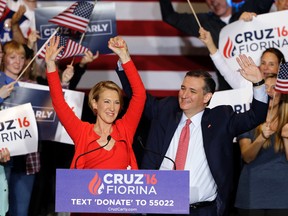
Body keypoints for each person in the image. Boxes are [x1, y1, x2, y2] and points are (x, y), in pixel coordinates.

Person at [116, 54, 268, 216]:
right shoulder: (165, 109)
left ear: (207, 97)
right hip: (160, 207)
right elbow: (137, 95)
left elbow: (255, 116)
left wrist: (258, 83)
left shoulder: (220, 119)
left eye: (192, 91)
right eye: (183, 88)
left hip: (203, 211)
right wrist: (123, 60)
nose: (184, 95)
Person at [45, 35, 146, 169]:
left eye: (116, 102)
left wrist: (125, 57)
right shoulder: (82, 132)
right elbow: (59, 103)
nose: (112, 107)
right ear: (94, 104)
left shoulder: (125, 130)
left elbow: (140, 95)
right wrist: (51, 65)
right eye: (107, 101)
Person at [159, 0, 274, 90]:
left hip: (263, 86)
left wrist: (252, 19)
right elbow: (169, 17)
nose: (213, 1)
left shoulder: (248, 8)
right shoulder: (203, 23)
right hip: (229, 91)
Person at [235, 74, 288, 216]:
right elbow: (246, 157)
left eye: (274, 87)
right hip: (252, 196)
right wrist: (262, 137)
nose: (270, 91)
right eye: (265, 88)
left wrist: (286, 138)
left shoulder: (287, 124)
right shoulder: (247, 120)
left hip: (282, 198)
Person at [198, 27, 286, 89]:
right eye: (263, 63)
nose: (266, 68)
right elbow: (225, 70)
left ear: (280, 67)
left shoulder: (285, 88)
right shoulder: (246, 84)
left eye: (271, 64)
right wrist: (209, 44)